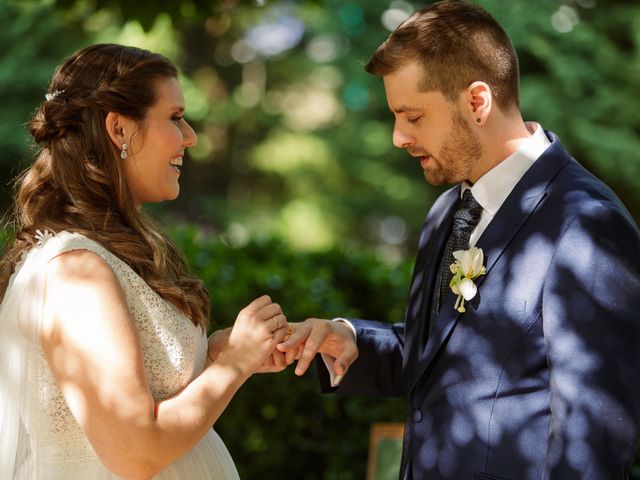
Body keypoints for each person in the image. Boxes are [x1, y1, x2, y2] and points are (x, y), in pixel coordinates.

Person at [276, 1, 640, 479]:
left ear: (477, 102)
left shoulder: (587, 226)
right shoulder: (448, 210)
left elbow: (593, 443)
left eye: (412, 116)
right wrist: (352, 339)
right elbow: (448, 353)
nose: (397, 137)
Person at [0, 44, 291, 479]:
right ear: (119, 129)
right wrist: (235, 364)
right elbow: (135, 452)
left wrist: (217, 359)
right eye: (175, 117)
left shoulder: (101, 257)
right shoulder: (75, 272)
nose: (190, 136)